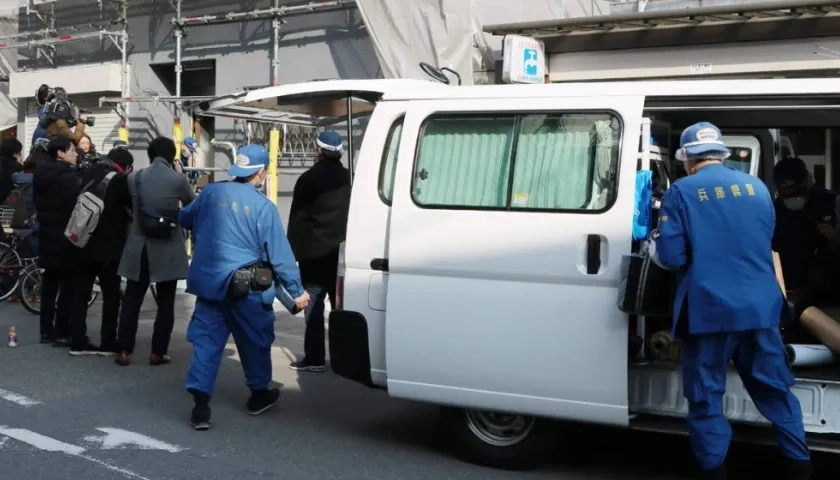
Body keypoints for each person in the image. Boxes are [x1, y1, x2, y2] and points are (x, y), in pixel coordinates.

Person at [651, 122, 812, 480]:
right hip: (760, 308)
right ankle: (800, 466)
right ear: (722, 153)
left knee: (707, 396)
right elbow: (764, 243)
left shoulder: (682, 191)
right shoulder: (757, 188)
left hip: (710, 311)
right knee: (776, 391)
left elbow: (673, 257)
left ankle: (714, 471)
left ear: (688, 158)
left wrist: (654, 246)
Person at [179, 144, 309, 430]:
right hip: (246, 288)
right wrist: (296, 291)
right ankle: (258, 394)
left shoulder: (210, 193)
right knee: (255, 341)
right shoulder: (264, 207)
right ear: (261, 173)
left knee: (206, 343)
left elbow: (185, 218)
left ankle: (200, 407)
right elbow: (280, 255)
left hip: (209, 284)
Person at [116, 137, 195, 366]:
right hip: (167, 247)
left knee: (132, 299)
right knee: (166, 302)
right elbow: (192, 206)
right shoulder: (178, 179)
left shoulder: (134, 178)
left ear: (150, 155)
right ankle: (157, 352)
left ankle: (123, 350)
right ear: (171, 157)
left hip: (138, 246)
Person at [287, 131, 351, 373]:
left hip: (313, 255)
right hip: (342, 254)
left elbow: (297, 217)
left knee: (313, 307)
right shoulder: (350, 179)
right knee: (340, 309)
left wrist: (291, 252)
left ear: (319, 151)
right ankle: (343, 359)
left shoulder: (308, 179)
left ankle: (314, 358)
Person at [69, 148, 134, 356]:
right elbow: (131, 208)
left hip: (83, 243)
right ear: (126, 166)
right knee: (111, 296)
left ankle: (77, 341)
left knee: (80, 294)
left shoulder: (88, 172)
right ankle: (108, 342)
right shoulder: (119, 180)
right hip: (109, 248)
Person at [772, 157, 840, 306]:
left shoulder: (832, 203)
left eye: (798, 192)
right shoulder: (772, 211)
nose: (793, 199)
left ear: (807, 183)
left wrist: (835, 236)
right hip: (789, 290)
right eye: (786, 195)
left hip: (829, 291)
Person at [33, 136, 81, 346]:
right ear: (60, 153)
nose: (76, 154)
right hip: (64, 237)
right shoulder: (67, 177)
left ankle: (46, 331)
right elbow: (74, 208)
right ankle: (62, 331)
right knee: (67, 287)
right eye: (72, 150)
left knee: (49, 286)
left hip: (46, 235)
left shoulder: (40, 176)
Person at [0, 138, 23, 205]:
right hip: (4, 203)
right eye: (19, 153)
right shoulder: (13, 166)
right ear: (14, 154)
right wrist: (19, 164)